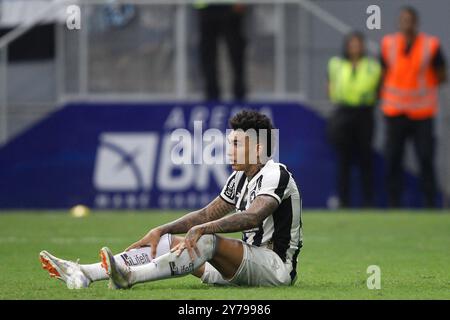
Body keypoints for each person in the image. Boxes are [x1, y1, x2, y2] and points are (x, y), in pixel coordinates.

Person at [40, 110, 303, 288]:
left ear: (258, 148)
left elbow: (253, 216)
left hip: (275, 268)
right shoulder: (239, 178)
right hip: (242, 265)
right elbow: (206, 214)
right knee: (166, 242)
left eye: (236, 144)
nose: (229, 150)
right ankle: (85, 273)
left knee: (207, 239)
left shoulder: (275, 173)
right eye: (229, 142)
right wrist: (161, 229)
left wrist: (202, 230)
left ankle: (130, 277)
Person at [380, 6, 447, 208]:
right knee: (393, 159)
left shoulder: (431, 45)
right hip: (395, 111)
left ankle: (430, 203)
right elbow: (383, 73)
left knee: (426, 158)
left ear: (416, 22)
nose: (406, 23)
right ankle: (394, 204)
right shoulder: (388, 44)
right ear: (399, 23)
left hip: (422, 112)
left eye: (409, 19)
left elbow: (442, 74)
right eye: (403, 19)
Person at [327, 31, 382, 207]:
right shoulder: (336, 64)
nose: (355, 47)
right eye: (352, 44)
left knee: (366, 158)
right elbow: (331, 87)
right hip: (344, 113)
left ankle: (368, 201)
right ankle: (344, 201)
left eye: (358, 44)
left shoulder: (372, 66)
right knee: (344, 160)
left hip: (364, 113)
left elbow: (371, 87)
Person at [196, 1, 247, 101]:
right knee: (208, 53)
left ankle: (239, 92)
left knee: (236, 51)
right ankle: (211, 93)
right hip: (206, 8)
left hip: (230, 8)